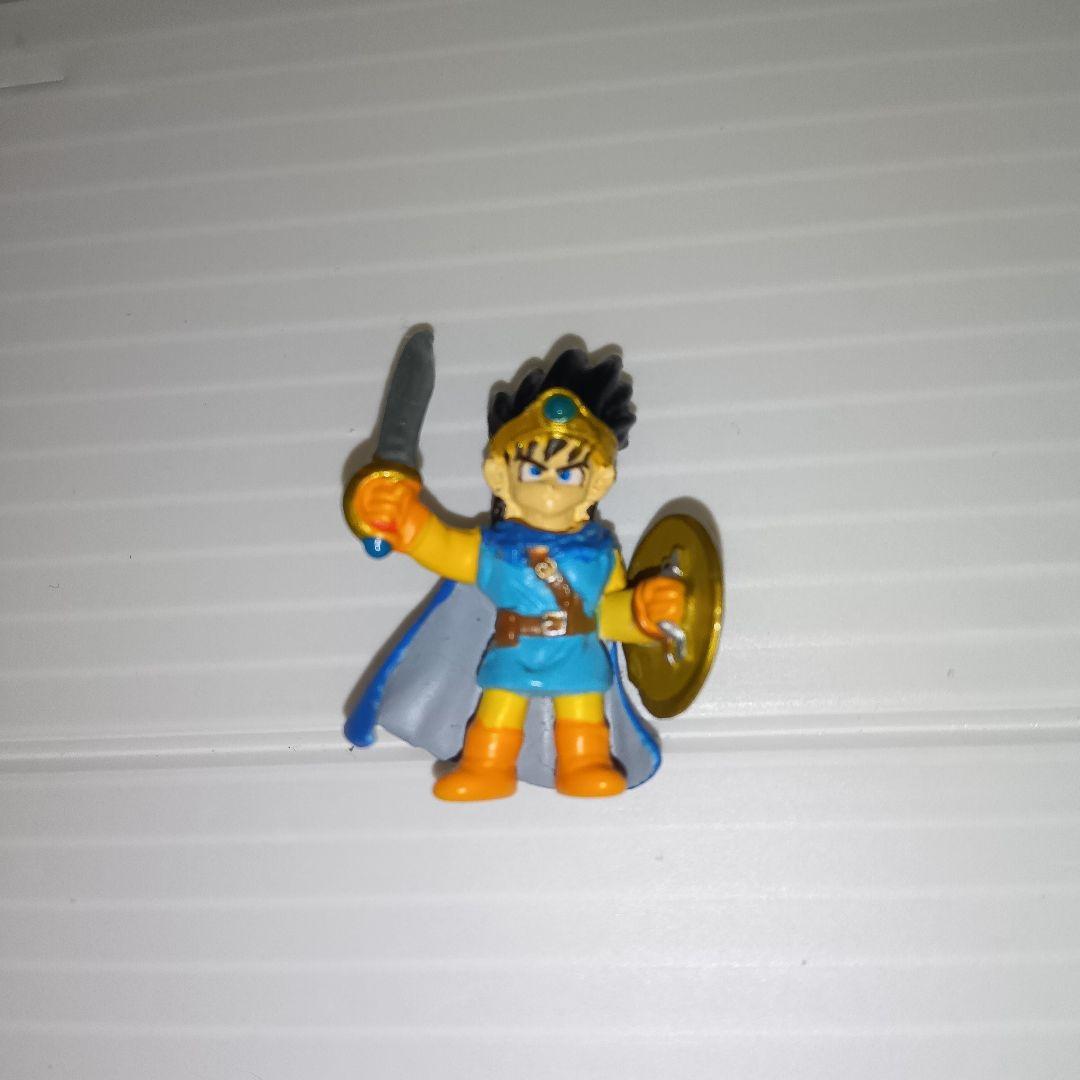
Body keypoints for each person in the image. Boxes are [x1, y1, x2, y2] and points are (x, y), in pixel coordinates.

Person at [345, 348, 686, 800]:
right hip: (513, 648)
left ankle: (585, 764)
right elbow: (443, 547)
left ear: (597, 483)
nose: (549, 483)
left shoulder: (600, 555)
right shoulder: (494, 550)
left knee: (583, 715)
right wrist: (404, 519)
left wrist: (645, 610)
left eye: (568, 473)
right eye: (534, 469)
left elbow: (609, 615)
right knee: (498, 709)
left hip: (577, 652)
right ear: (501, 476)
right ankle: (486, 767)